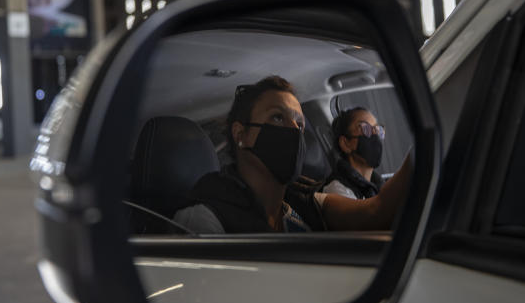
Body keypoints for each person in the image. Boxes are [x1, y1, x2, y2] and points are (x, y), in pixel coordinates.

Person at [173, 76, 412, 234]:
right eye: (278, 117)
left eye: (299, 123)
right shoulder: (204, 217)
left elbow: (376, 214)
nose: (294, 130)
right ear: (241, 134)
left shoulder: (304, 200)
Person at [323, 107, 386, 200]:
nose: (375, 134)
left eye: (378, 129)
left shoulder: (379, 186)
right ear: (345, 144)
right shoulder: (337, 189)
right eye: (365, 128)